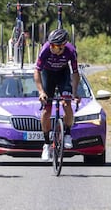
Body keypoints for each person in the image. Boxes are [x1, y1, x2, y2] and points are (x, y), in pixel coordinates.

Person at [34, 29, 80, 161]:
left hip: (63, 74)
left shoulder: (71, 51)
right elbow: (37, 71)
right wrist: (41, 91)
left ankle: (67, 134)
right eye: (51, 45)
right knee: (46, 111)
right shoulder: (45, 49)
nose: (51, 48)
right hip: (48, 75)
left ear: (63, 46)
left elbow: (75, 73)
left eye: (55, 46)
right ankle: (46, 144)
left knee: (67, 104)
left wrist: (75, 92)